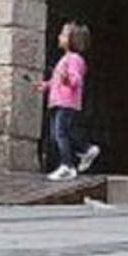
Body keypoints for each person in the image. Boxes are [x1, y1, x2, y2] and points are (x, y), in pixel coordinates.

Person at [35, 21, 100, 181]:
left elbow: (76, 80)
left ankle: (67, 166)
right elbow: (58, 79)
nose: (59, 37)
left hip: (66, 102)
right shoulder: (65, 59)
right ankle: (86, 150)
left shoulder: (75, 59)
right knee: (58, 134)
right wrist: (47, 85)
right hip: (58, 101)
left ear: (72, 39)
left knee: (60, 133)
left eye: (63, 34)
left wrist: (67, 79)